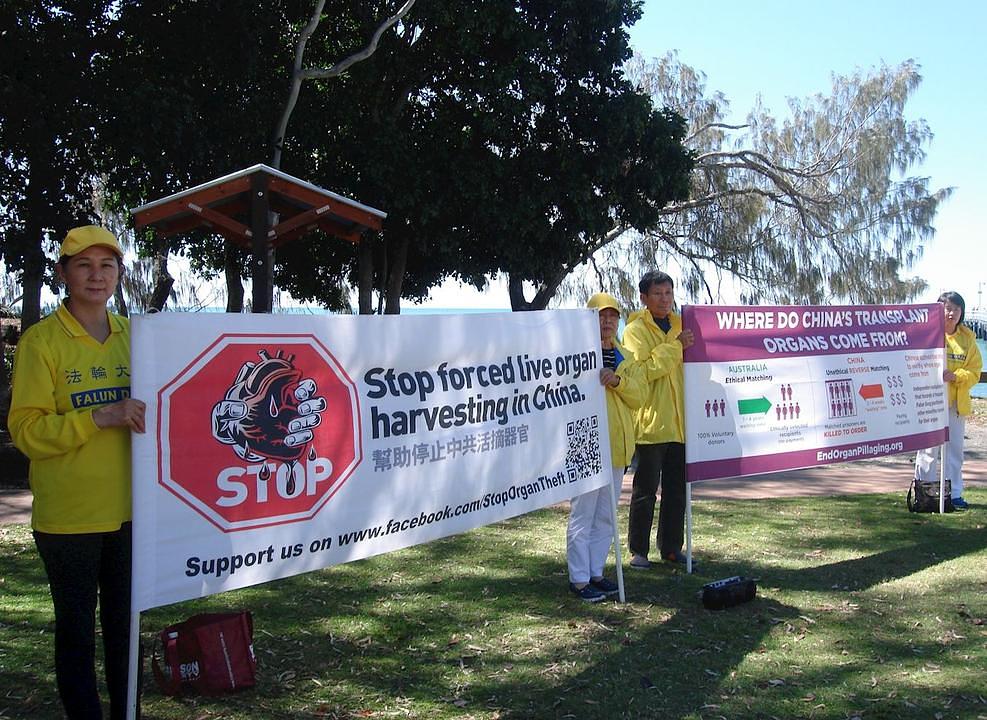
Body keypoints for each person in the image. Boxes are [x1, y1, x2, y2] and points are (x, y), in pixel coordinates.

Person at [8, 226, 146, 720]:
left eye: (106, 266)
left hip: (134, 513)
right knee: (76, 630)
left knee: (126, 629)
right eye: (83, 265)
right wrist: (98, 418)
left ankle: (128, 711)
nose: (96, 276)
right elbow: (26, 430)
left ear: (119, 275)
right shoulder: (41, 342)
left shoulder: (138, 338)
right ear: (63, 273)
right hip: (69, 519)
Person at [567, 293, 644, 601]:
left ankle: (596, 573)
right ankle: (579, 579)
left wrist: (618, 382)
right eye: (601, 315)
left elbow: (639, 397)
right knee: (582, 514)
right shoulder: (575, 356)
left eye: (613, 316)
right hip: (586, 446)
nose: (608, 321)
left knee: (605, 516)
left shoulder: (626, 356)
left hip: (617, 448)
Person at [622, 271, 694, 569]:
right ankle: (638, 550)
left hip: (681, 423)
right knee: (645, 491)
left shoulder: (682, 324)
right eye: (658, 294)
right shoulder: (635, 330)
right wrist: (676, 346)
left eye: (669, 293)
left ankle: (672, 549)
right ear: (644, 298)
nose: (665, 299)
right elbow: (645, 370)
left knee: (678, 491)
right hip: (651, 423)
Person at [913, 291, 982, 510]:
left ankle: (955, 495)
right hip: (930, 402)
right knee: (928, 450)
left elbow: (975, 370)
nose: (951, 313)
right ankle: (925, 495)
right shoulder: (927, 334)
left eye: (956, 309)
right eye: (947, 308)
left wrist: (957, 377)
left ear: (961, 312)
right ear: (938, 310)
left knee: (954, 451)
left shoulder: (968, 338)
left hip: (956, 404)